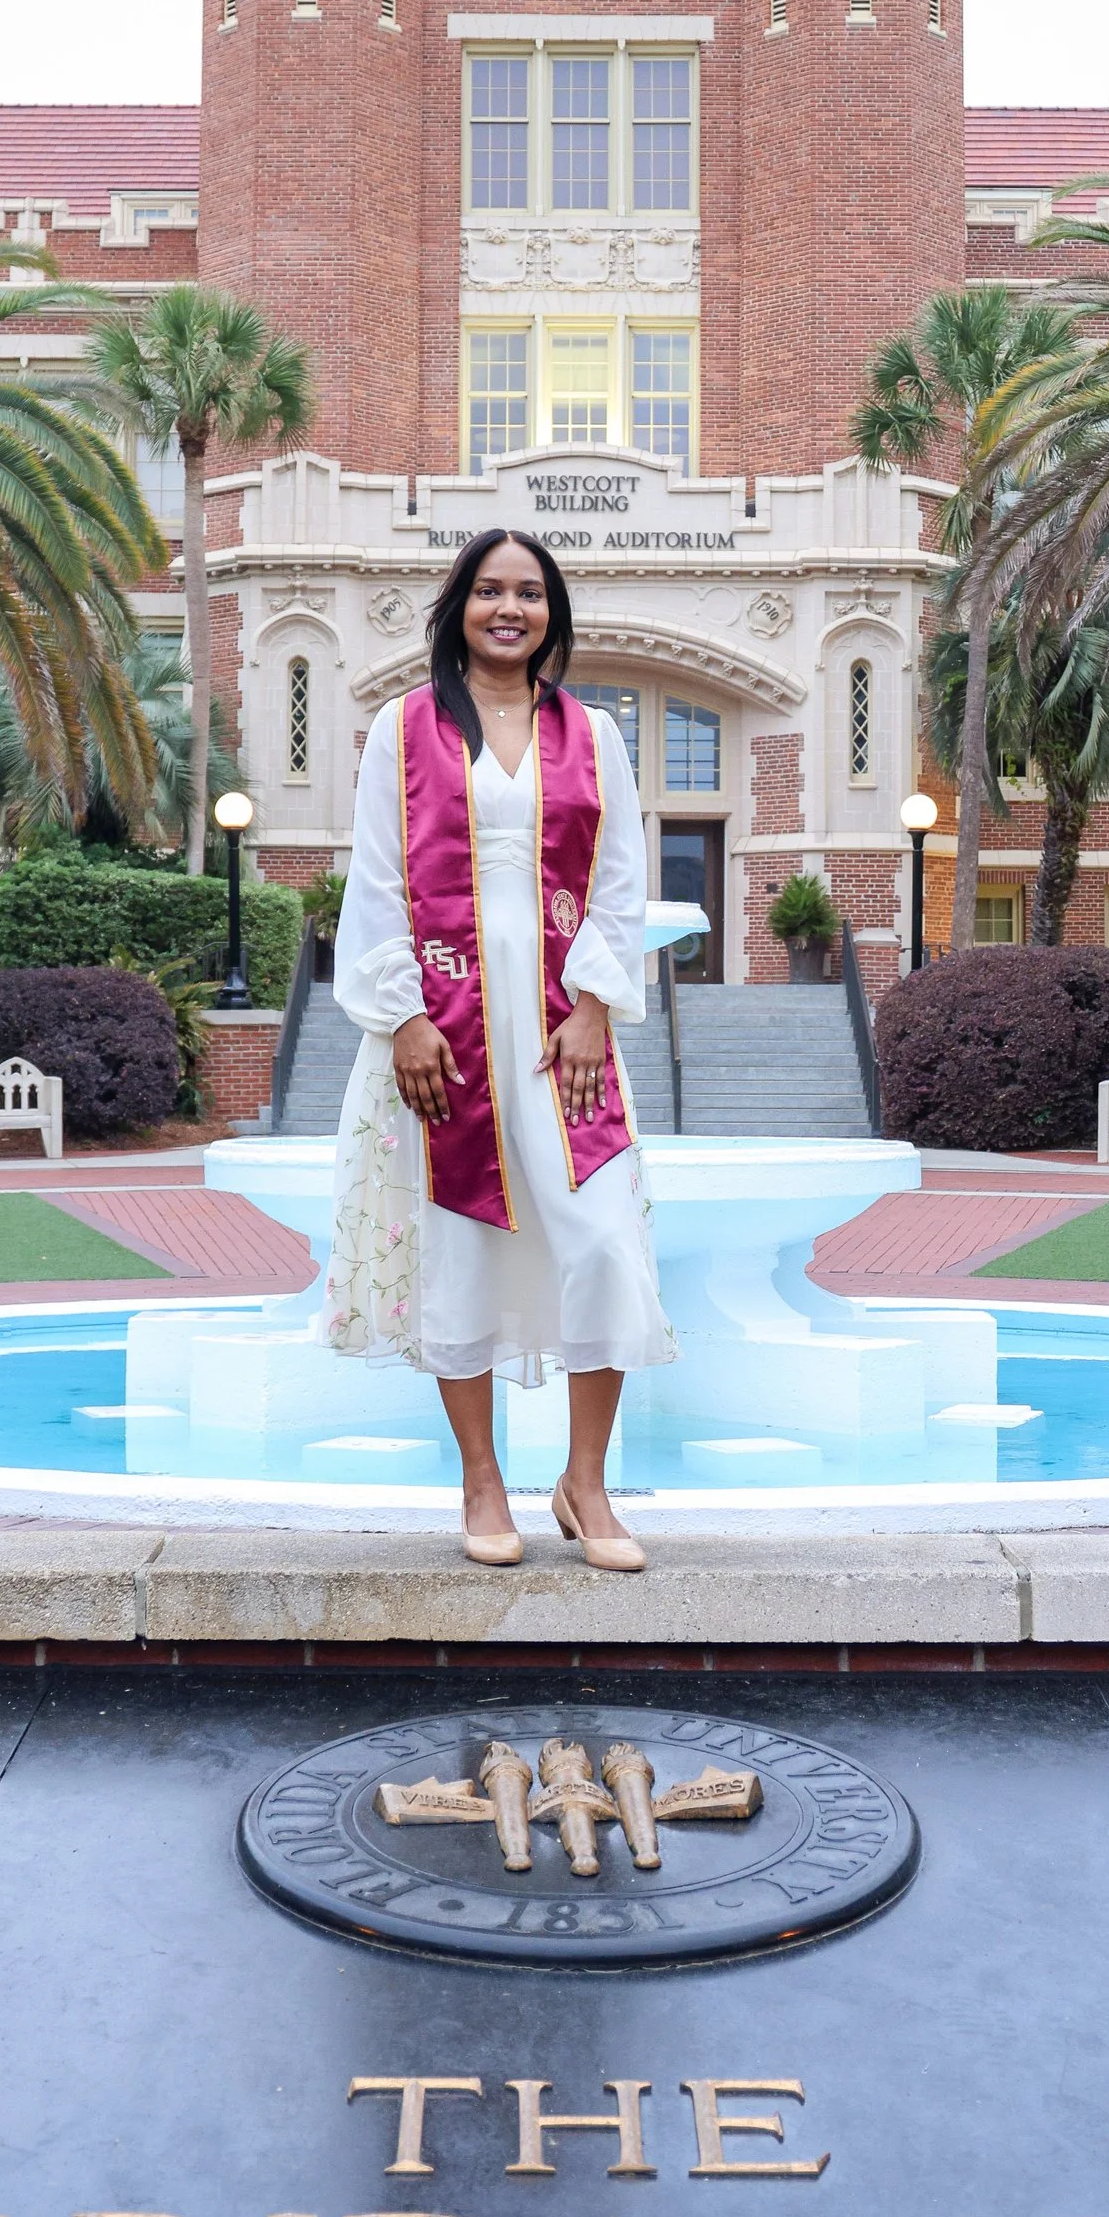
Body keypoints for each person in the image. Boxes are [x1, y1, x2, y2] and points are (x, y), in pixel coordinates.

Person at [326, 527, 673, 1569]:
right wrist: (403, 1018)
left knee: (605, 1243)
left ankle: (585, 1484)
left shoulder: (594, 735)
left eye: (527, 592)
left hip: (564, 1025)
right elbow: (378, 877)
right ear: (458, 607)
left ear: (552, 613)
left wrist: (598, 1006)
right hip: (444, 1023)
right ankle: (482, 1485)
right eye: (487, 591)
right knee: (461, 1245)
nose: (507, 608)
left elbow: (620, 878)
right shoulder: (404, 726)